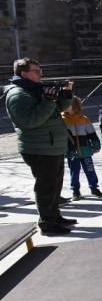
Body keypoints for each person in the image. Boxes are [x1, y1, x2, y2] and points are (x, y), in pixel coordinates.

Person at [5, 58, 75, 235]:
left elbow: (56, 108)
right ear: (24, 73)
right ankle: (47, 224)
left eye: (40, 70)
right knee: (46, 187)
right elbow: (31, 121)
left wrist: (66, 95)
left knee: (55, 186)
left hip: (51, 145)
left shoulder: (34, 89)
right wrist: (48, 100)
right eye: (36, 71)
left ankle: (54, 216)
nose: (40, 73)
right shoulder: (18, 95)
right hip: (39, 148)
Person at [61, 97, 102, 199]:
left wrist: (96, 145)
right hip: (71, 152)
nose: (65, 106)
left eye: (68, 104)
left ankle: (94, 188)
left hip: (85, 151)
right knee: (74, 172)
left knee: (90, 170)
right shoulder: (61, 120)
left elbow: (91, 134)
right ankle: (75, 191)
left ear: (75, 106)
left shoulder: (84, 119)